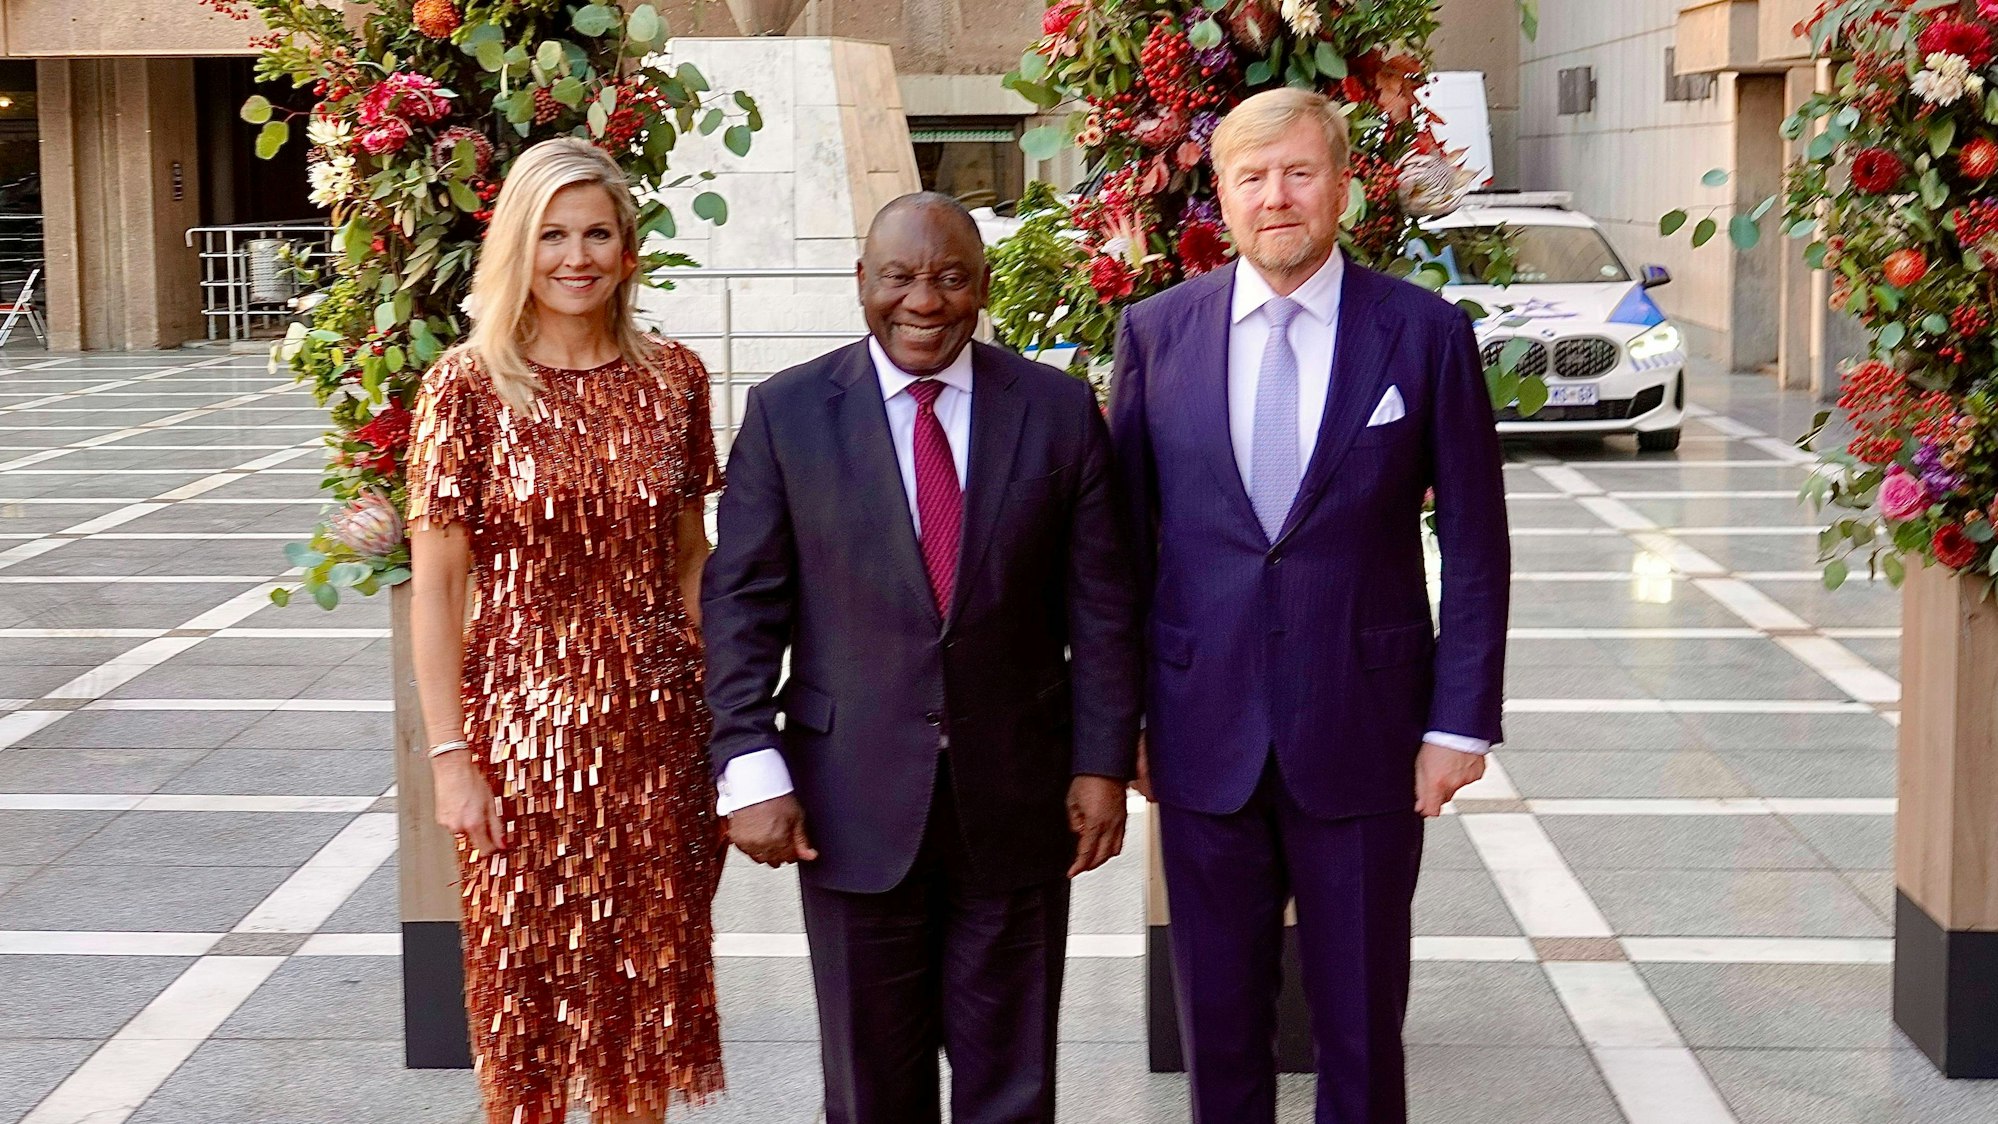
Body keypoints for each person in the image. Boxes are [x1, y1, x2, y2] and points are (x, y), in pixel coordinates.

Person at [1109, 90, 1511, 1123]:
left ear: (1342, 186)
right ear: (1222, 195)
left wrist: (1459, 723)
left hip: (1368, 729)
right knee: (1218, 1028)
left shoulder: (1423, 333)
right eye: (1252, 177)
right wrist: (1120, 723)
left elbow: (1476, 542)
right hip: (1201, 732)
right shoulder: (1155, 333)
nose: (1276, 196)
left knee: (1364, 1029)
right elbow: (1121, 550)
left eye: (1298, 172)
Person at [702, 192, 1143, 1124]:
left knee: (1012, 1088)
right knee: (870, 1092)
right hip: (848, 802)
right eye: (899, 277)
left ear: (983, 286)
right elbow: (741, 606)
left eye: (949, 277)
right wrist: (749, 766)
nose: (925, 300)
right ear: (862, 281)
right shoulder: (787, 414)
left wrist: (1103, 761)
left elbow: (1103, 607)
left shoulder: (1057, 410)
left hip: (1020, 798)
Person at [406, 137, 725, 1124]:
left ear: (628, 249)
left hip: (660, 740)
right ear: (517, 245)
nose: (575, 257)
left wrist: (736, 719)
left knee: (644, 1007)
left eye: (596, 233)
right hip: (518, 748)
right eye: (552, 234)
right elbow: (437, 589)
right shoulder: (465, 387)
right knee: (525, 1024)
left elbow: (690, 559)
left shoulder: (676, 379)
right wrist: (450, 758)